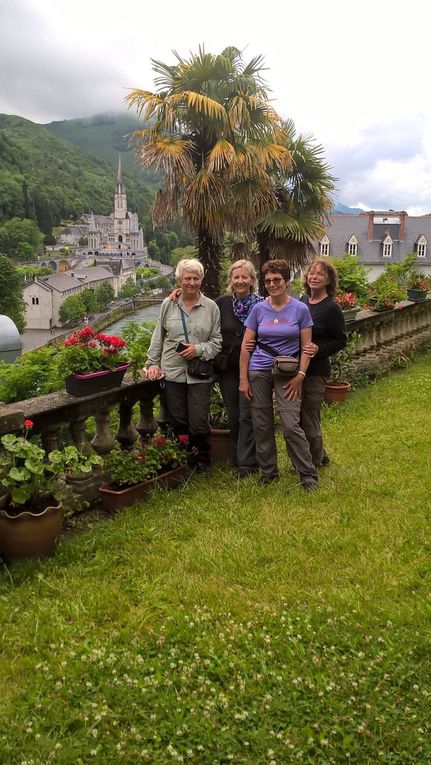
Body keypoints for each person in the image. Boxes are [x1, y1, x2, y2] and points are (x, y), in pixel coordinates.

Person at [239, 259, 318, 490]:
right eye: (268, 281)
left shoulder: (300, 309)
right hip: (259, 371)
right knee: (262, 424)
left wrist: (301, 375)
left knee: (291, 424)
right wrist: (243, 378)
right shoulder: (258, 309)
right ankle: (269, 472)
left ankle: (307, 474)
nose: (272, 284)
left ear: (286, 281)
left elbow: (307, 347)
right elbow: (246, 346)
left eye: (277, 280)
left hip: (288, 373)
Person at [145, 259, 222, 473]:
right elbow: (158, 336)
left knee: (198, 422)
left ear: (201, 280)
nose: (191, 282)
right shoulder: (168, 304)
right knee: (178, 421)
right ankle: (185, 459)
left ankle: (203, 458)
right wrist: (152, 363)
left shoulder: (211, 307)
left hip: (199, 373)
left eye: (196, 278)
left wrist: (197, 350)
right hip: (172, 372)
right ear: (179, 280)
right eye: (187, 278)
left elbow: (217, 342)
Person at [215, 260, 264, 476]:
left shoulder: (262, 305)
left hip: (254, 367)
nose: (240, 281)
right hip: (228, 368)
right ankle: (238, 457)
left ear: (252, 281)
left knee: (247, 413)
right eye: (236, 277)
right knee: (234, 413)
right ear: (230, 280)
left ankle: (248, 462)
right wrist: (177, 293)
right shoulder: (221, 304)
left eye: (245, 277)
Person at [298, 259, 347, 467]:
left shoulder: (331, 308)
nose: (314, 277)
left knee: (309, 416)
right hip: (296, 367)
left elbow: (341, 339)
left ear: (328, 280)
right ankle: (321, 455)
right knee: (299, 417)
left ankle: (314, 463)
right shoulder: (302, 302)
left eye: (319, 274)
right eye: (311, 273)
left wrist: (319, 349)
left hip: (315, 370)